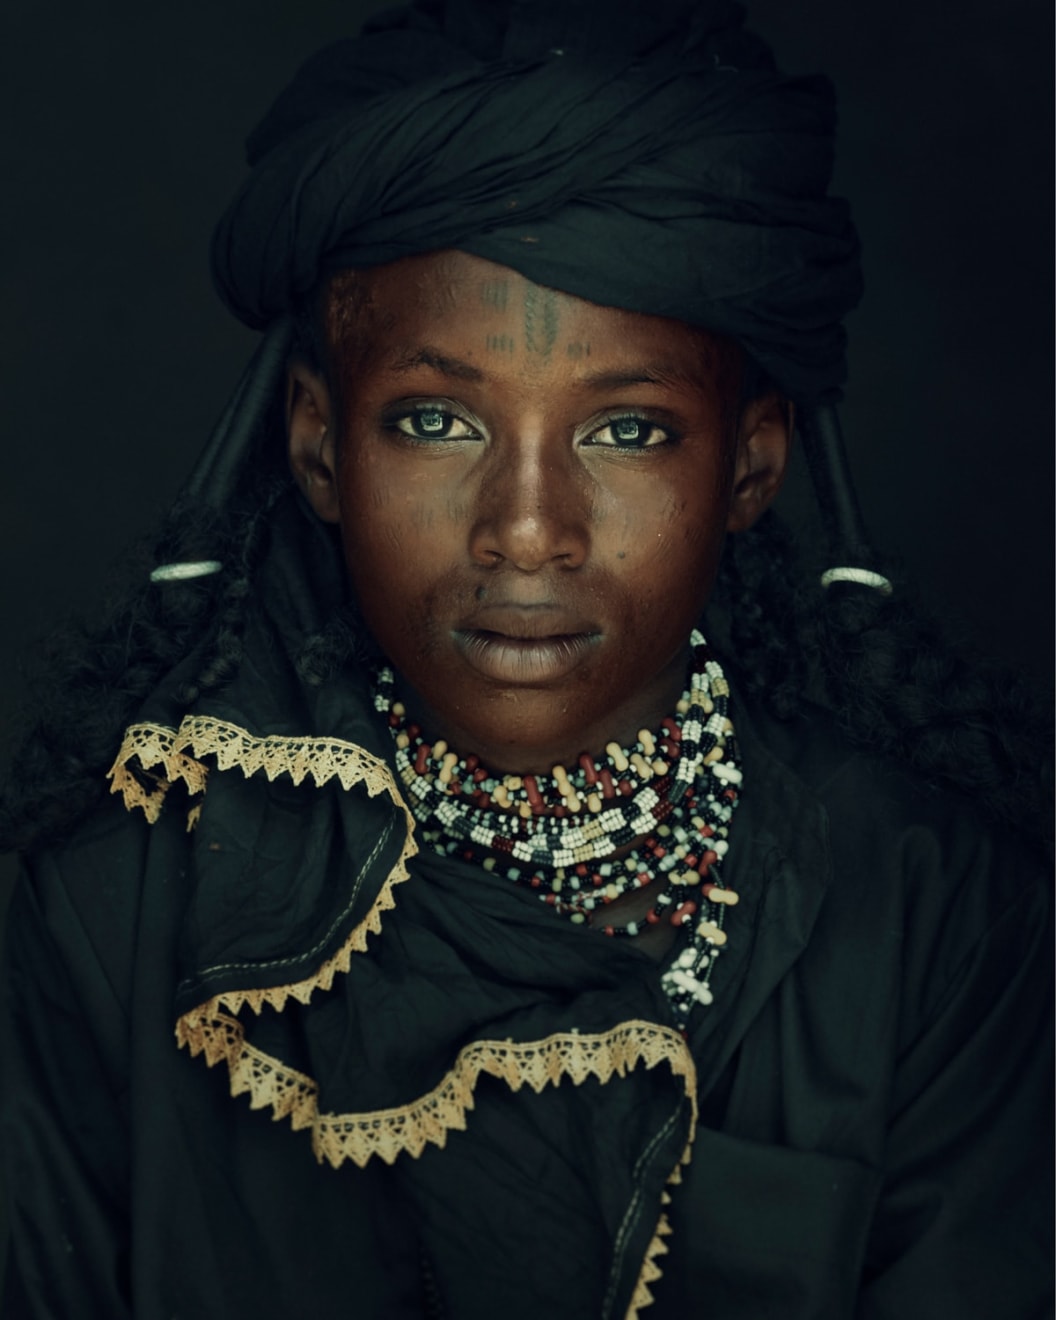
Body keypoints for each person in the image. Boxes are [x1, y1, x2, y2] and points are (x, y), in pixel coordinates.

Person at [0, 2, 1050, 1317]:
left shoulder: (932, 913)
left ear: (751, 465)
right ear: (320, 446)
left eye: (629, 431)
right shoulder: (118, 902)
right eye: (437, 422)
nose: (530, 528)